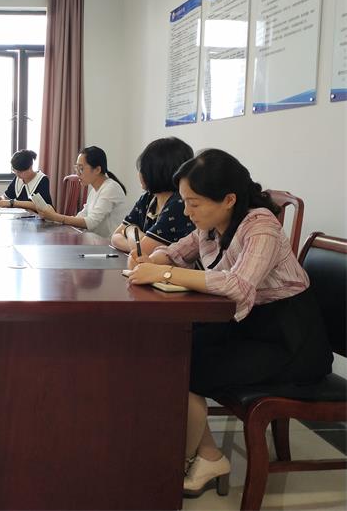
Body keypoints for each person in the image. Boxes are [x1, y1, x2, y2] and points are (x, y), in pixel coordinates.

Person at [126, 149, 332, 497]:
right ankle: (207, 455)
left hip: (289, 340)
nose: (187, 212)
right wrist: (152, 258)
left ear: (229, 199)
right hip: (246, 326)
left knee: (186, 366)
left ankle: (191, 458)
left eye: (194, 203)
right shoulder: (210, 226)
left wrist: (162, 273)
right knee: (170, 351)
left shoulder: (261, 225)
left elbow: (238, 285)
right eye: (185, 202)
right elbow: (175, 252)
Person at [111, 137, 194, 257]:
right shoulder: (148, 198)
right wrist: (136, 239)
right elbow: (115, 237)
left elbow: (142, 250)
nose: (139, 174)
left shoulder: (179, 204)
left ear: (157, 171)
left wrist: (130, 230)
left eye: (142, 169)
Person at [36, 146, 126, 239]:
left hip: (108, 245)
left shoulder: (110, 188)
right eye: (77, 168)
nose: (78, 173)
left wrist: (55, 217)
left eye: (81, 169)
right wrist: (53, 217)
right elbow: (81, 216)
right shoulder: (94, 190)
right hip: (94, 242)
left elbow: (90, 222)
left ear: (97, 170)